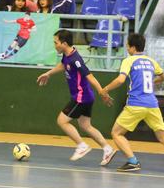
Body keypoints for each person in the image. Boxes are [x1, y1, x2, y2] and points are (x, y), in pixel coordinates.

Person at [99, 33, 164, 174]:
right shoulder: (151, 61)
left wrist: (105, 90)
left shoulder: (129, 60)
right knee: (163, 136)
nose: (127, 48)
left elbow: (121, 80)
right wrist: (152, 82)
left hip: (136, 104)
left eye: (128, 46)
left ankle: (133, 161)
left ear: (133, 47)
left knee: (116, 133)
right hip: (152, 105)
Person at [36, 29, 117, 164]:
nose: (54, 45)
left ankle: (82, 145)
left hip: (81, 97)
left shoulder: (75, 59)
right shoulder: (67, 55)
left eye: (56, 43)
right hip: (86, 96)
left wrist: (102, 92)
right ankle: (108, 149)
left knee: (62, 121)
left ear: (64, 44)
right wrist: (48, 73)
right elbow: (63, 65)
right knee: (86, 126)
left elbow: (90, 76)